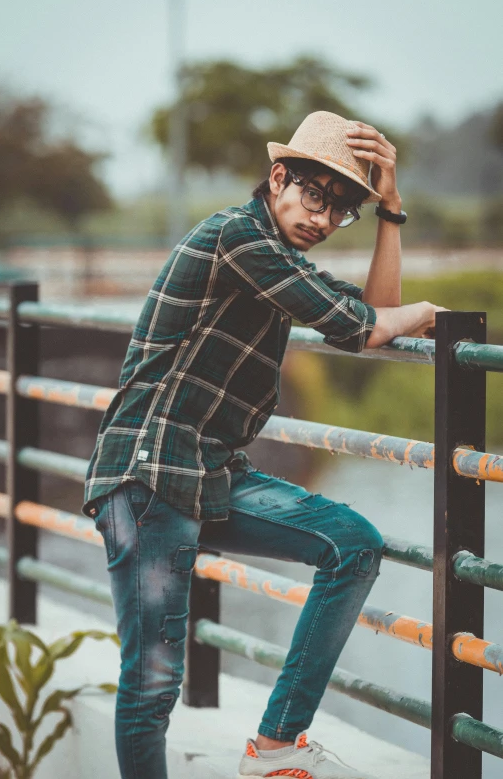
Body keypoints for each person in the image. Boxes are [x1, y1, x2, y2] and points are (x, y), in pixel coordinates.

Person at [83, 111, 446, 779]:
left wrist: (391, 210)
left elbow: (372, 314)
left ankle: (278, 743)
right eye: (314, 195)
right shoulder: (236, 238)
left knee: (353, 544)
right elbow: (360, 324)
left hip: (210, 474)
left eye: (340, 210)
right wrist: (425, 313)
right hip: (150, 475)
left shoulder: (278, 259)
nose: (323, 218)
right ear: (278, 176)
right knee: (153, 683)